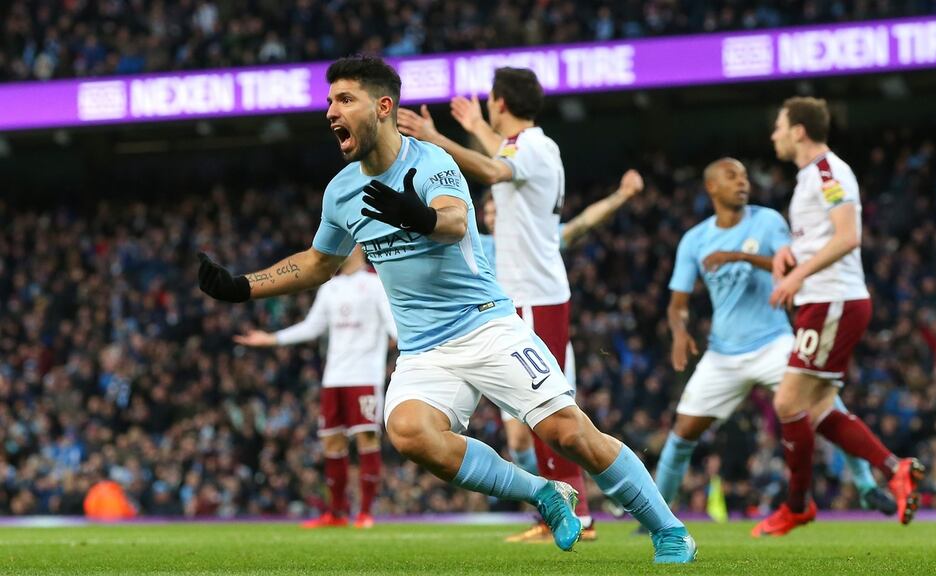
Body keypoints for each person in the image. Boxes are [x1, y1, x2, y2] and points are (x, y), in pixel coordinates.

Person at [196, 56, 696, 563]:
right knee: (410, 433)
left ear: (384, 106)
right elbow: (316, 263)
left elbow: (455, 222)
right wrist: (242, 287)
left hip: (486, 326)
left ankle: (669, 530)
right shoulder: (342, 190)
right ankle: (545, 493)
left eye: (345, 99)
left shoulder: (432, 162)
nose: (331, 111)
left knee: (568, 432)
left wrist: (416, 215)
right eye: (329, 101)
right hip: (423, 351)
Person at [397, 68, 594, 542]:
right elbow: (499, 153)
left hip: (530, 292)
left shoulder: (526, 149)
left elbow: (493, 168)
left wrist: (435, 138)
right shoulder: (535, 146)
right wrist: (477, 128)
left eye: (489, 103)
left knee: (543, 407)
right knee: (541, 408)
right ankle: (569, 509)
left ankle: (575, 510)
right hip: (538, 291)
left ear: (501, 103)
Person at [653, 158, 896, 523]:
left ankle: (865, 486)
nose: (742, 182)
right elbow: (678, 304)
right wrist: (680, 331)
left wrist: (738, 255)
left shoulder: (767, 221)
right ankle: (656, 515)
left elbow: (791, 265)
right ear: (711, 187)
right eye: (731, 176)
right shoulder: (694, 240)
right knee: (682, 432)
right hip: (722, 353)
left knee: (824, 406)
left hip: (773, 342)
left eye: (745, 176)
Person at [753, 97, 925, 537]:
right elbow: (823, 236)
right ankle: (894, 467)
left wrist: (797, 278)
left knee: (788, 402)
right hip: (824, 300)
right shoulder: (810, 178)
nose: (773, 134)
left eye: (778, 126)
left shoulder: (829, 172)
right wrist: (792, 252)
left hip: (833, 300)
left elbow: (849, 236)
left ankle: (796, 504)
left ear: (798, 131)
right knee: (819, 407)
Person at [479, 170, 644, 539]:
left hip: (539, 343)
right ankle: (551, 507)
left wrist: (620, 196)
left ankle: (581, 513)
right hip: (502, 349)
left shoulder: (534, 241)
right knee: (520, 441)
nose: (492, 217)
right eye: (488, 212)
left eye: (497, 211)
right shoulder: (476, 246)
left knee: (558, 428)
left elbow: (582, 223)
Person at [234, 245, 396, 529]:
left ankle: (365, 512)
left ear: (360, 248)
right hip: (333, 378)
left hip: (364, 377)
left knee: (366, 440)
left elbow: (395, 328)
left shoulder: (376, 284)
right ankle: (336, 513)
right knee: (332, 443)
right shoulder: (329, 288)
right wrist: (271, 339)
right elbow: (311, 327)